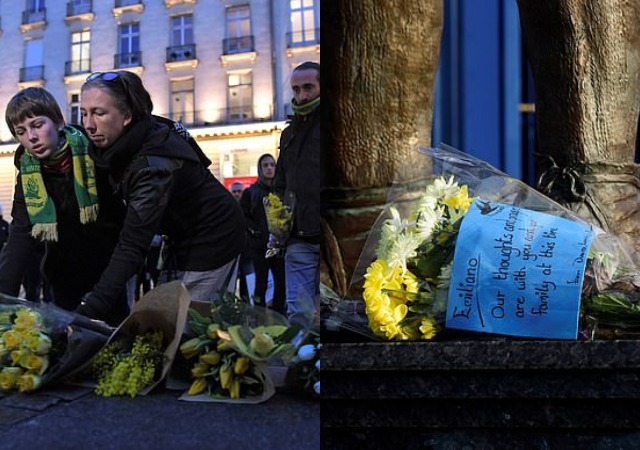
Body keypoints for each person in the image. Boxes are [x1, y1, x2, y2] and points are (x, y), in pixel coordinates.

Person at [77, 70, 245, 321]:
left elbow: (132, 244)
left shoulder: (152, 164)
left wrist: (92, 307)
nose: (88, 125)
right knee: (168, 315)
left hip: (214, 235)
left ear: (126, 116)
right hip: (181, 235)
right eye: (83, 113)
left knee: (187, 326)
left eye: (99, 113)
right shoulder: (135, 135)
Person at [0, 87, 127, 323]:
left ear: (58, 121)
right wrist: (2, 301)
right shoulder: (27, 176)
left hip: (109, 274)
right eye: (21, 131)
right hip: (62, 279)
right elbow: (19, 238)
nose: (32, 137)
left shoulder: (96, 152)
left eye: (37, 125)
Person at [273, 61, 321, 330]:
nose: (301, 95)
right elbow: (281, 182)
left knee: (334, 314)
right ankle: (304, 368)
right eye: (296, 89)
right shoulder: (289, 133)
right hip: (298, 238)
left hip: (328, 236)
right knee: (299, 316)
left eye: (308, 88)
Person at [240, 153, 286, 314]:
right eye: (265, 165)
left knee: (281, 283)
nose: (269, 168)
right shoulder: (251, 192)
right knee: (261, 283)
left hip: (279, 246)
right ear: (260, 168)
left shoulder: (281, 191)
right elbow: (243, 216)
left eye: (272, 165)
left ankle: (279, 316)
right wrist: (256, 232)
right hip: (260, 246)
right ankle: (259, 316)